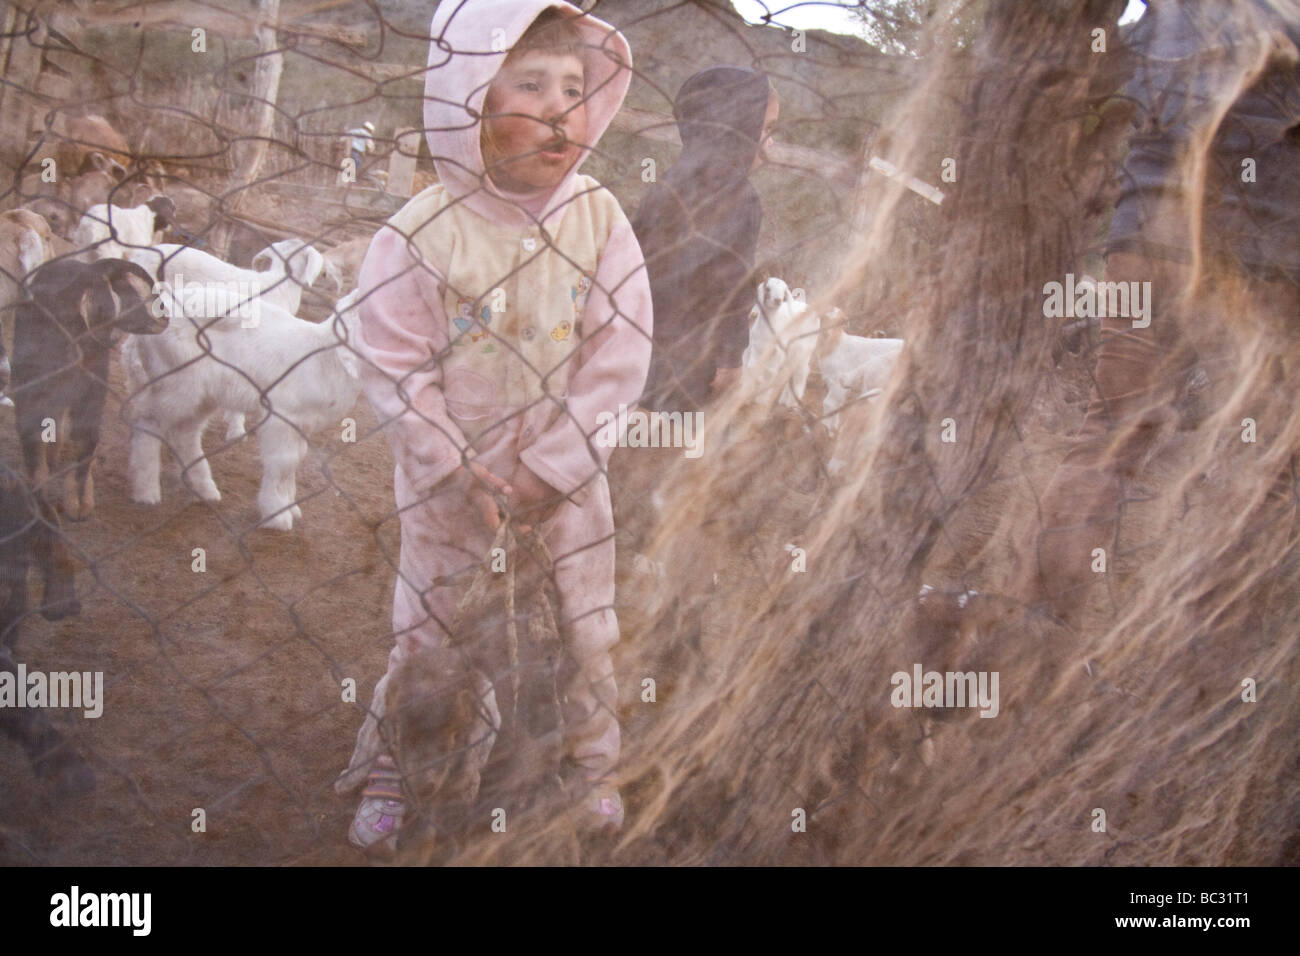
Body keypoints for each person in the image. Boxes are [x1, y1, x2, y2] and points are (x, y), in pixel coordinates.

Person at [336, 0, 652, 853]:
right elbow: (396, 368)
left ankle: (590, 766)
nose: (560, 108)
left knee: (584, 625)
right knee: (431, 636)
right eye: (532, 85)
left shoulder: (598, 218)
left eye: (576, 89)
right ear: (472, 101)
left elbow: (618, 358)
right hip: (452, 492)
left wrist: (557, 468)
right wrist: (451, 467)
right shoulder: (419, 234)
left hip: (564, 487)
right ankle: (402, 765)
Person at [1018, 0, 1300, 625]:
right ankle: (1220, 663)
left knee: (1110, 432)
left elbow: (1096, 71)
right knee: (1273, 454)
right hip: (1269, 239)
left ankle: (1040, 631)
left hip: (1149, 222)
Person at [633, 67, 779, 412]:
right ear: (739, 127)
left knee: (642, 433)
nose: (770, 143)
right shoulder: (739, 193)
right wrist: (730, 358)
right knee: (682, 444)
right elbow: (732, 282)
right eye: (767, 129)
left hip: (643, 340)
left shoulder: (668, 183)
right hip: (695, 354)